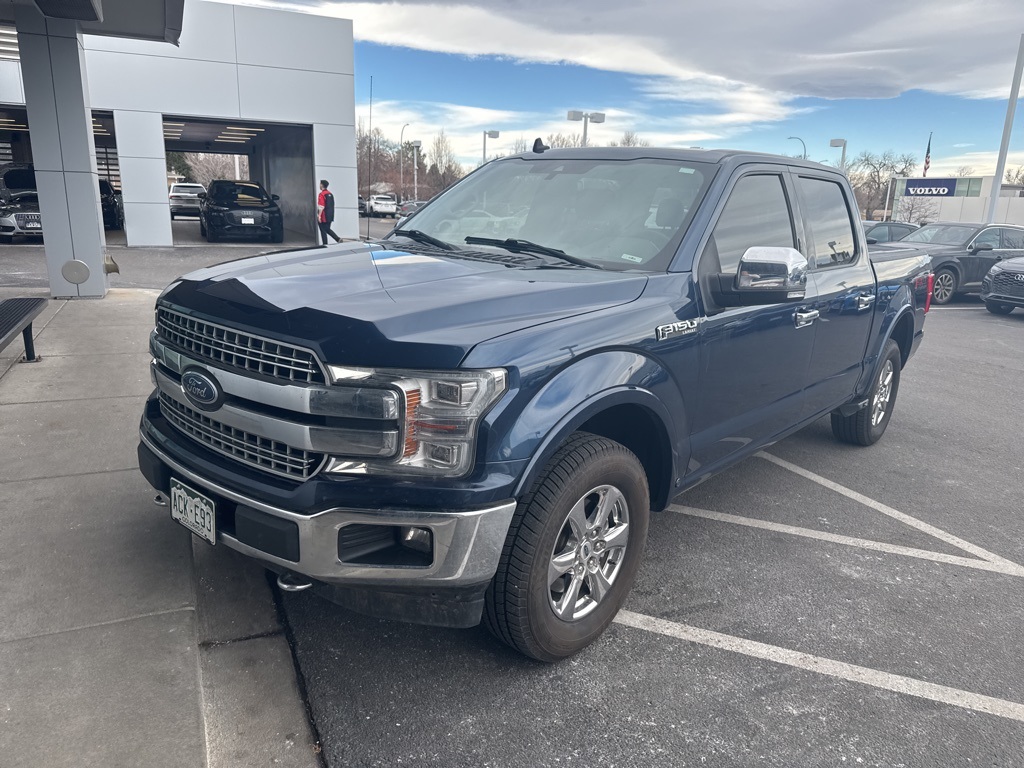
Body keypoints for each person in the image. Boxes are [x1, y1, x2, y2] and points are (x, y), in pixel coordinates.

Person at [317, 179, 342, 244]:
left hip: (324, 216)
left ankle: (328, 242)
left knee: (323, 229)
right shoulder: (330, 194)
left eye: (320, 184)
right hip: (330, 215)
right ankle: (336, 239)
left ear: (322, 185)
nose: (319, 185)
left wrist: (319, 216)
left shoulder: (322, 194)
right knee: (327, 229)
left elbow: (321, 206)